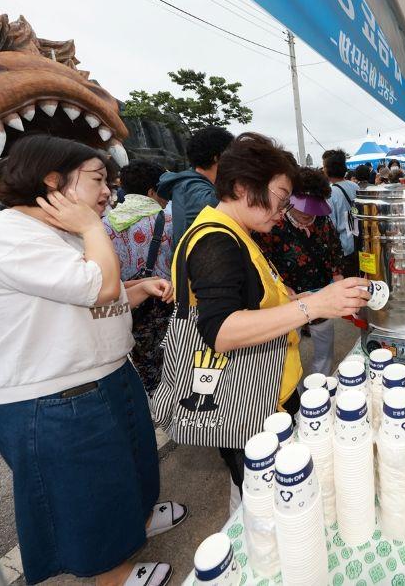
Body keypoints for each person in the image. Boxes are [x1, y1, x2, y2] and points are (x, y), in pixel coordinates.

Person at [0, 135, 183, 586]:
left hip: (105, 374)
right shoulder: (0, 237)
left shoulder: (57, 233)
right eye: (98, 179)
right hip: (56, 395)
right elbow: (98, 287)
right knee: (90, 494)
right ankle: (114, 575)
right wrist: (93, 229)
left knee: (129, 466)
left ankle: (137, 520)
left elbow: (83, 296)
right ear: (52, 181)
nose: (109, 192)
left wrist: (136, 289)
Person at [156, 134, 369, 496]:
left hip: (269, 392)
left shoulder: (237, 232)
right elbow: (221, 330)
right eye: (281, 198)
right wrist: (314, 306)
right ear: (242, 187)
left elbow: (253, 303)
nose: (283, 210)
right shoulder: (215, 241)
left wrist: (308, 298)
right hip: (248, 404)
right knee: (267, 501)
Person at [254, 168, 344, 384]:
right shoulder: (273, 225)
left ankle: (319, 387)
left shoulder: (323, 221)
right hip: (289, 299)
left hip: (321, 294)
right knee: (287, 351)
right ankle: (292, 391)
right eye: (304, 210)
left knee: (324, 348)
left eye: (313, 211)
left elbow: (335, 249)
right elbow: (262, 260)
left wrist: (338, 273)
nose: (308, 216)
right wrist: (280, 287)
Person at [104, 159, 174, 394]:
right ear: (152, 192)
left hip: (123, 303)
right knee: (169, 364)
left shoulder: (104, 224)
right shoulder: (168, 220)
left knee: (138, 363)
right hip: (165, 302)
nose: (167, 198)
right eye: (163, 192)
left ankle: (148, 399)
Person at [156, 126, 234, 244]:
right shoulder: (196, 191)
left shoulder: (186, 184)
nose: (235, 162)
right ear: (217, 157)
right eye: (232, 156)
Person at [323, 149, 360, 277]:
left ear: (328, 169)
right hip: (357, 242)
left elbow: (330, 226)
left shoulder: (330, 193)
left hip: (343, 248)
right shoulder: (354, 186)